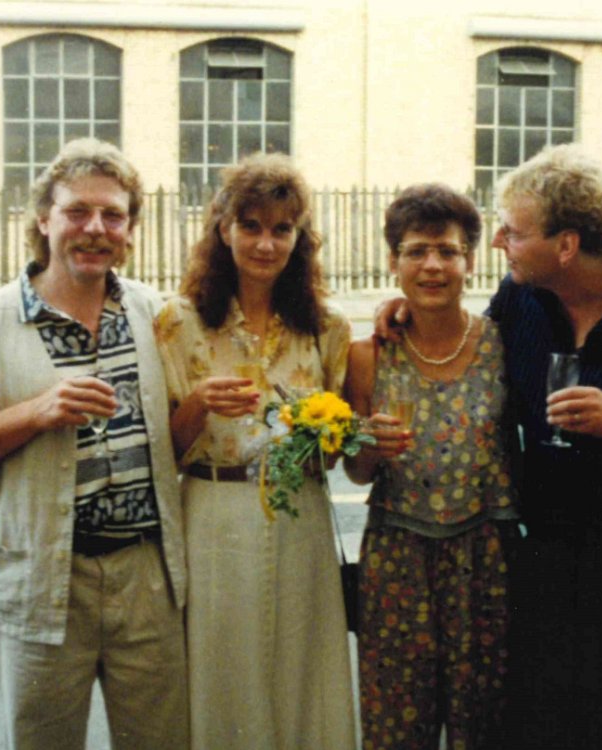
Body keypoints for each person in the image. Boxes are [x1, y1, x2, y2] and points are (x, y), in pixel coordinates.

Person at [376, 145, 602, 749]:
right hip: (549, 569)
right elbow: (469, 349)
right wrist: (407, 309)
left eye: (514, 231)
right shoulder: (521, 299)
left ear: (567, 245)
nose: (500, 241)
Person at [0, 138, 188, 750]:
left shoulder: (157, 314)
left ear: (130, 229)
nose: (95, 229)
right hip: (41, 582)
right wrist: (35, 413)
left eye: (113, 215)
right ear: (43, 219)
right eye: (77, 211)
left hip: (147, 578)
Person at [153, 152, 356, 750]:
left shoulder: (327, 326)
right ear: (223, 229)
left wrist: (328, 432)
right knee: (222, 664)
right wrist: (199, 404)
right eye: (251, 225)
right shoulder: (179, 321)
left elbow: (334, 453)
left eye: (281, 229)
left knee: (301, 661)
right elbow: (164, 452)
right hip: (215, 508)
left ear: (299, 238)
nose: (266, 244)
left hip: (301, 512)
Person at [345, 184, 518, 749]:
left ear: (471, 260)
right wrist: (370, 446)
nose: (433, 266)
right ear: (394, 261)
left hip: (484, 558)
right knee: (397, 726)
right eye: (416, 251)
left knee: (484, 724)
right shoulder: (367, 354)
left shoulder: (503, 343)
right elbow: (356, 473)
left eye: (447, 251)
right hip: (397, 558)